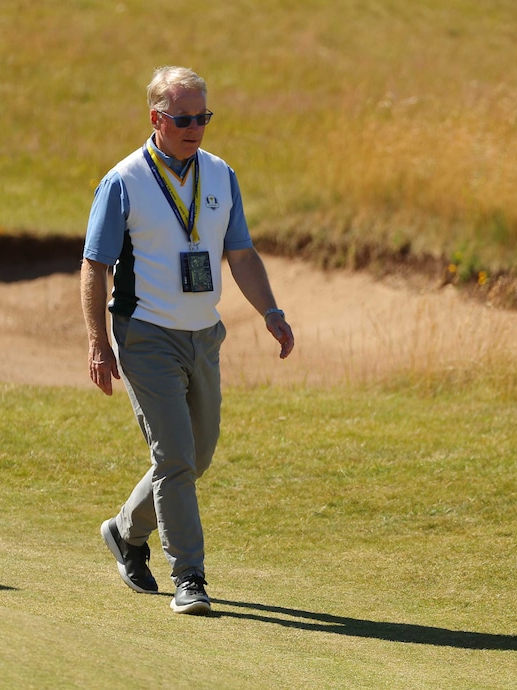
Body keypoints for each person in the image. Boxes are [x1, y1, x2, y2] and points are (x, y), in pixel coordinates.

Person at [80, 65, 294, 615]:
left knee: (197, 455)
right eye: (183, 118)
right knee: (174, 457)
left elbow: (241, 254)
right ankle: (189, 577)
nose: (195, 127)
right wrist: (99, 344)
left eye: (203, 116)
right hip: (146, 336)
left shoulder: (221, 175)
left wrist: (269, 309)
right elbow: (94, 266)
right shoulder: (123, 181)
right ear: (157, 119)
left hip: (204, 335)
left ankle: (125, 531)